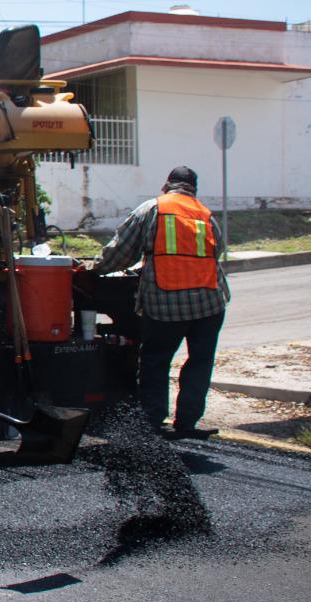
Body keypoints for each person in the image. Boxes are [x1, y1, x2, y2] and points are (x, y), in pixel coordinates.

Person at [88, 165, 229, 438]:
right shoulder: (205, 214)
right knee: (200, 361)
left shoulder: (153, 209)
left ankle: (152, 420)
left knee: (156, 359)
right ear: (193, 189)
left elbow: (121, 252)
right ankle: (187, 422)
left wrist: (94, 269)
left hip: (167, 303)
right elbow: (216, 250)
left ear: (166, 185)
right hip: (210, 303)